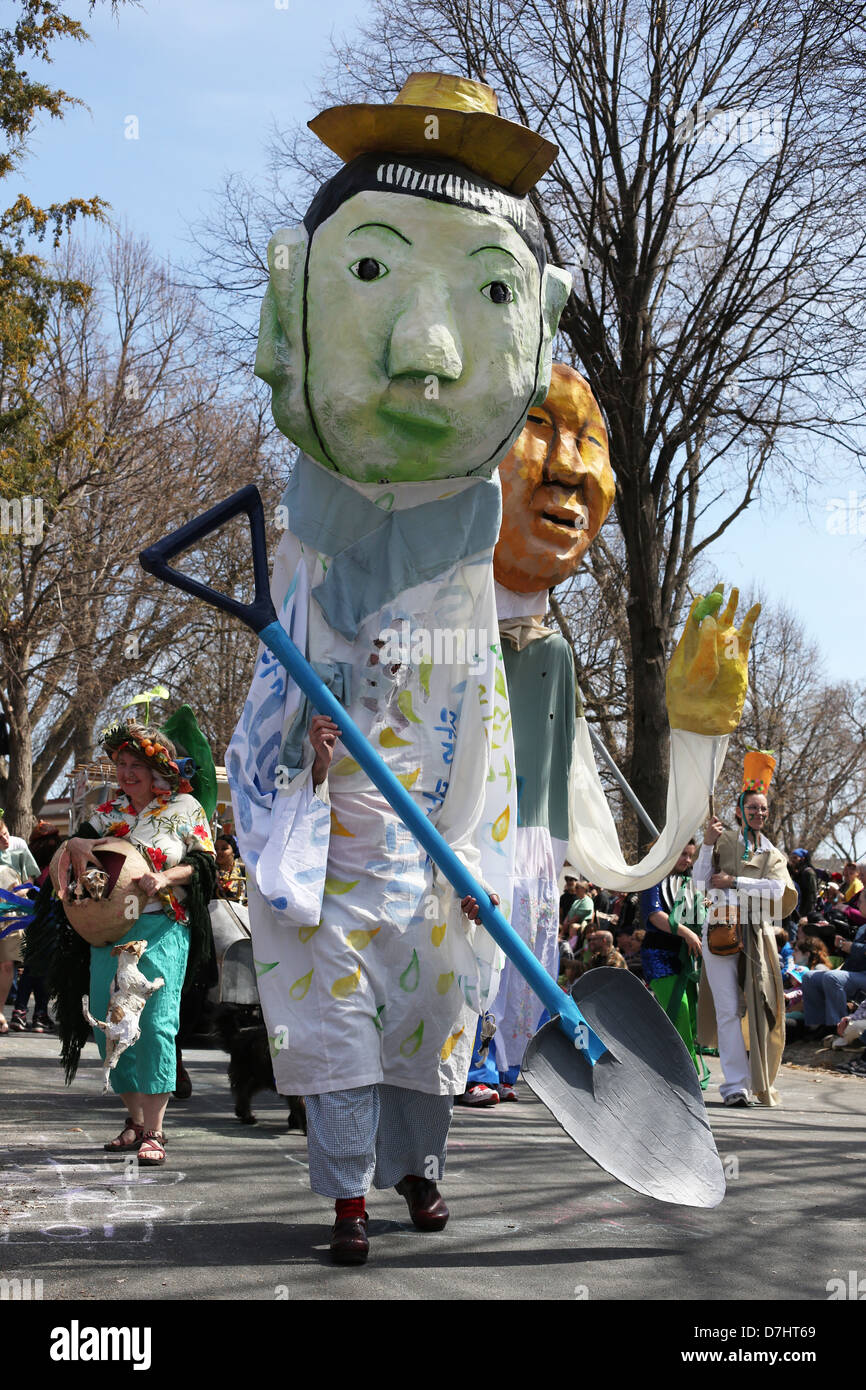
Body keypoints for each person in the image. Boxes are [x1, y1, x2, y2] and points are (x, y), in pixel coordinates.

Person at [226, 71, 571, 1266]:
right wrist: (298, 767)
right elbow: (254, 748)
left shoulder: (469, 590)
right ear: (291, 308)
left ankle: (418, 1171)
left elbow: (489, 751)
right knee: (334, 1029)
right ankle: (346, 1196)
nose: (426, 354)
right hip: (336, 862)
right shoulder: (302, 582)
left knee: (431, 1014)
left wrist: (481, 867)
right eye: (366, 272)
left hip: (434, 865)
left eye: (485, 295)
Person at [32, 719, 215, 1163]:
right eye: (120, 764)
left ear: (158, 768)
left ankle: (156, 1130)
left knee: (154, 1024)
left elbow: (204, 863)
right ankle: (134, 1120)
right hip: (107, 932)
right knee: (108, 1024)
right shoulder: (107, 814)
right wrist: (73, 843)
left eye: (135, 764)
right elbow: (68, 862)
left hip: (161, 927)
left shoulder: (185, 808)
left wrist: (167, 876)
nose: (126, 772)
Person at [694, 751, 797, 1107]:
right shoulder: (723, 841)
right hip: (722, 932)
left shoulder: (773, 854)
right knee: (727, 1008)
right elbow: (699, 885)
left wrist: (735, 881)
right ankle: (734, 1086)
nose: (758, 814)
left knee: (762, 1005)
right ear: (740, 810)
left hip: (757, 935)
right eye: (752, 808)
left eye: (763, 809)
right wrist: (707, 843)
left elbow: (778, 890)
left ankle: (760, 1081)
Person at [639, 841, 707, 1081]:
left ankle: (677, 1069)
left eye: (690, 856)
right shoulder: (652, 880)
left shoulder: (688, 884)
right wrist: (687, 933)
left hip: (686, 957)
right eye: (683, 855)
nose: (687, 861)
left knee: (688, 1014)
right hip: (659, 955)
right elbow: (655, 915)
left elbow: (700, 912)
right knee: (679, 1009)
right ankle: (683, 1072)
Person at [801, 884, 866, 1037]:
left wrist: (851, 947)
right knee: (809, 977)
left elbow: (856, 949)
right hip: (856, 973)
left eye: (861, 901)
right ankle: (815, 1026)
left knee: (832, 978)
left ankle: (835, 1027)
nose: (857, 904)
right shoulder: (863, 928)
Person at [0, 818, 39, 1034]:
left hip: (10, 916)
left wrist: (21, 892)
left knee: (7, 965)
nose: (5, 839)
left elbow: (30, 880)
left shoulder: (19, 847)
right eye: (0, 837)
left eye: (5, 833)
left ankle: (0, 1012)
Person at [215, 834, 245, 902]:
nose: (218, 852)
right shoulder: (209, 871)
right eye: (216, 849)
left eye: (224, 848)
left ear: (233, 852)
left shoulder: (244, 872)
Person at [789, 849, 817, 920]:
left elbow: (812, 896)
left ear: (802, 859)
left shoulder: (809, 873)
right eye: (791, 858)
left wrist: (806, 916)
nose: (792, 860)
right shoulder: (797, 874)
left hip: (804, 914)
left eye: (795, 858)